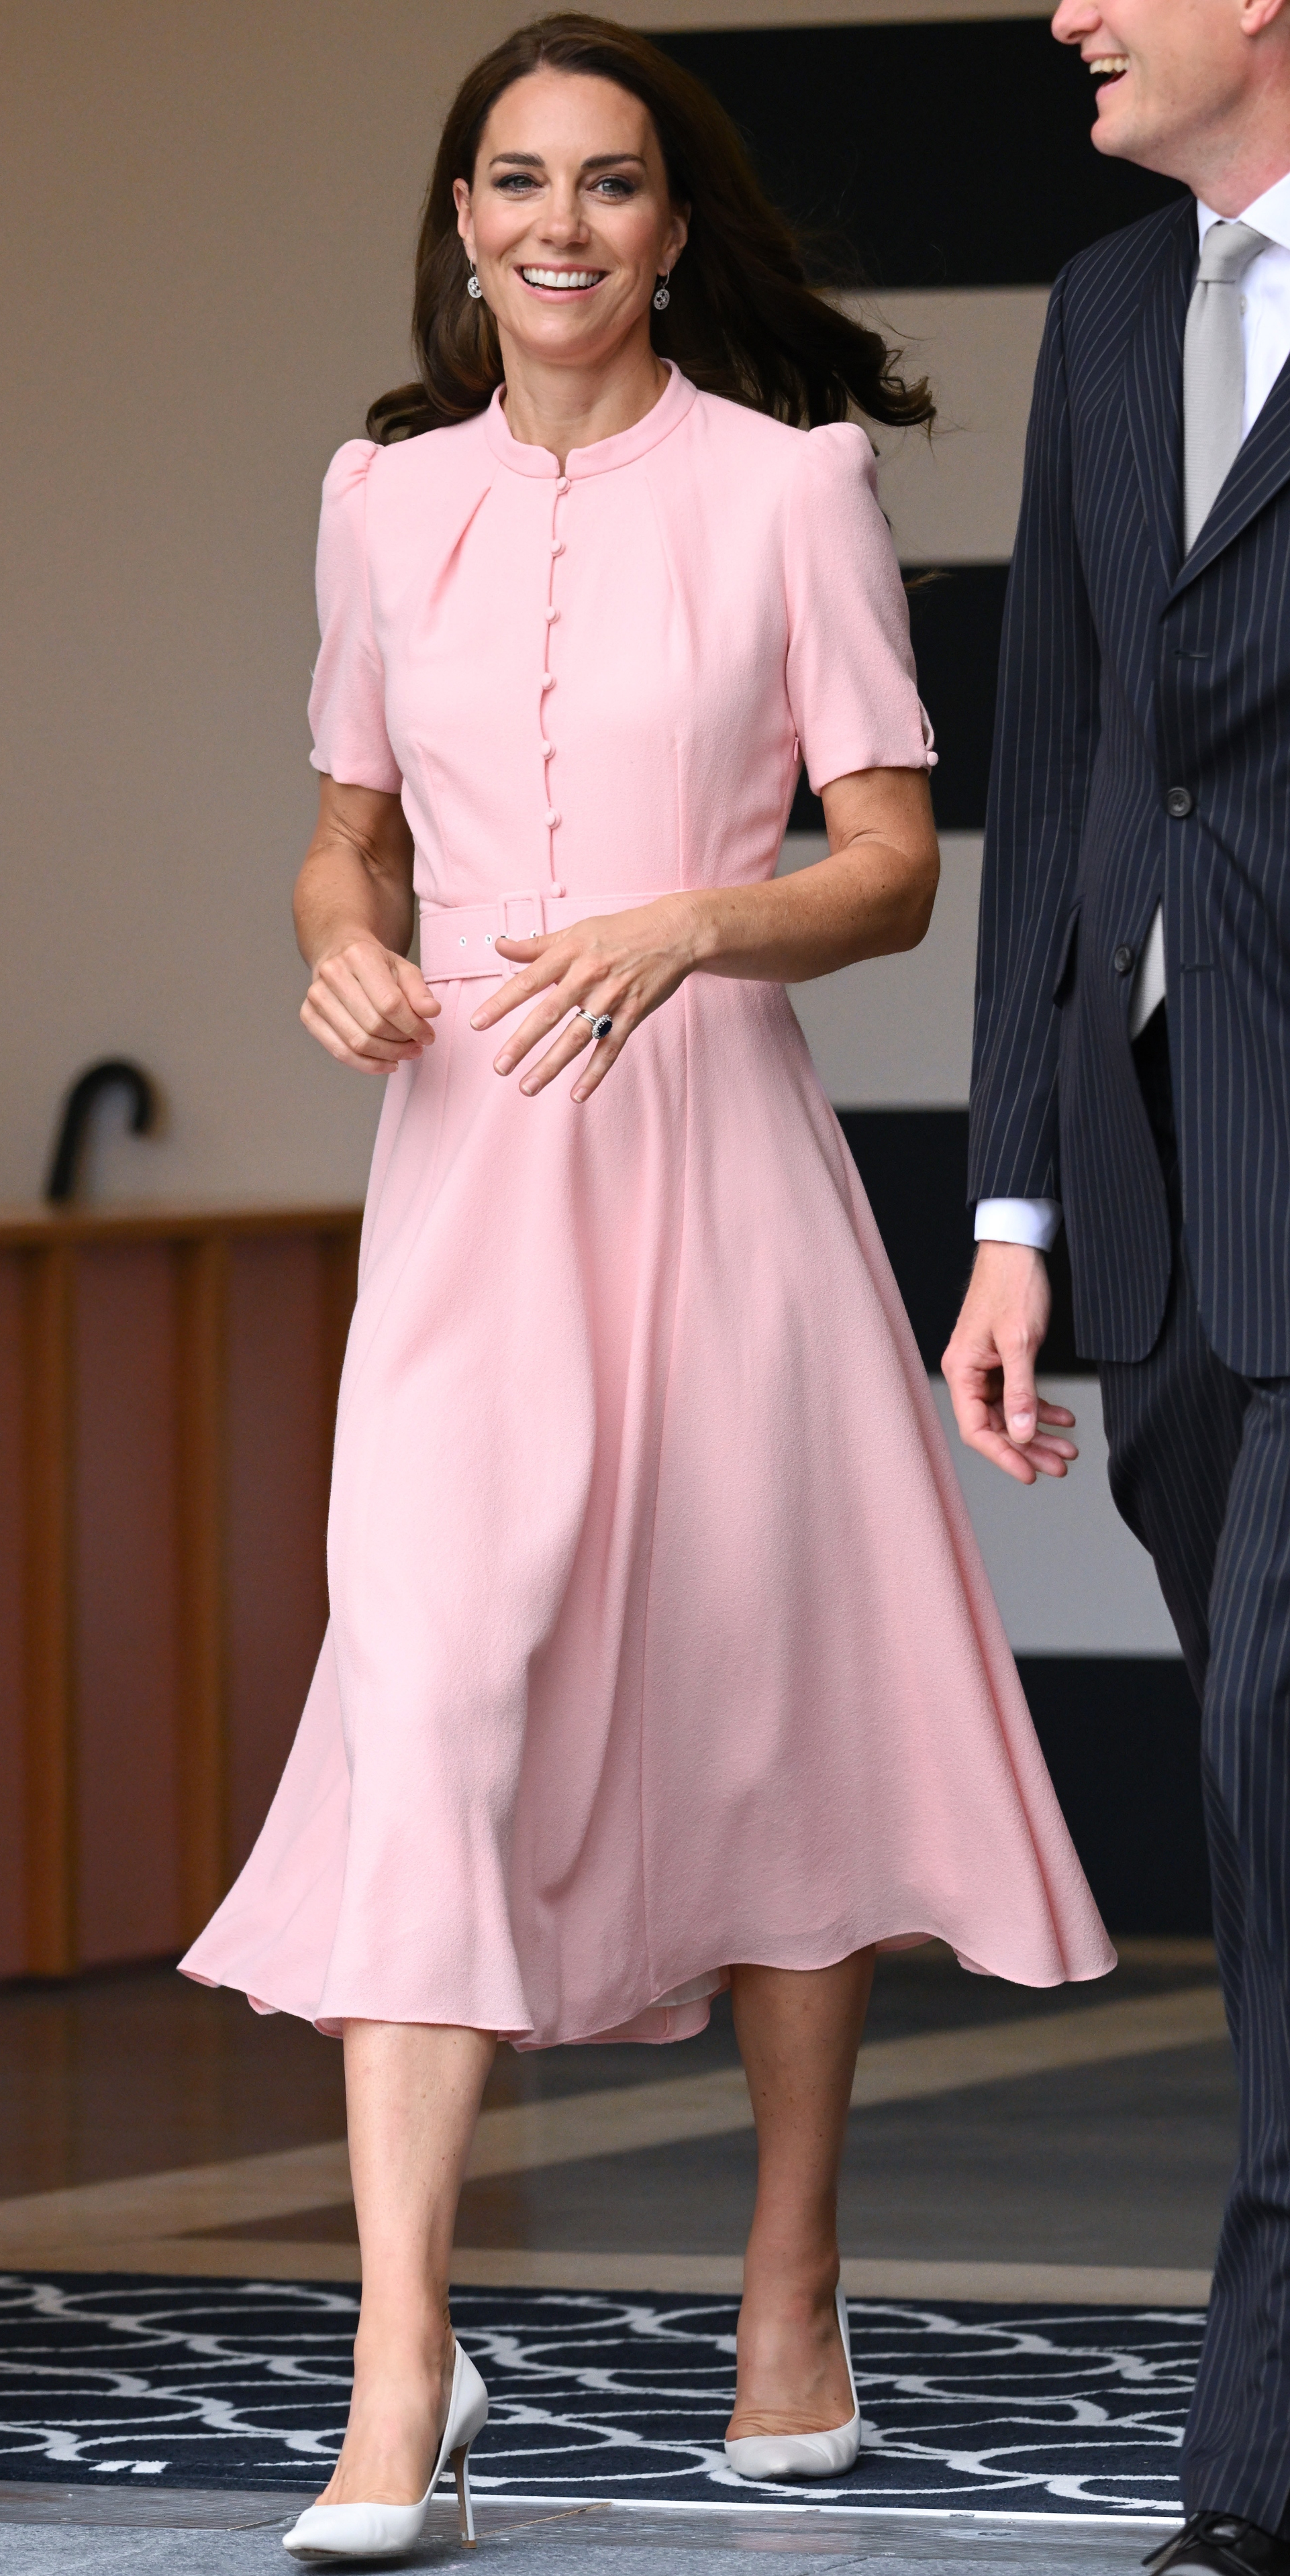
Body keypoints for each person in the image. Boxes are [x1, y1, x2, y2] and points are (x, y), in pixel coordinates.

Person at [183, 13, 1112, 2560]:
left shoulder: (793, 484)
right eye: (517, 182)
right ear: (463, 219)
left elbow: (894, 858)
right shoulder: (382, 500)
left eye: (610, 184)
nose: (562, 226)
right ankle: (399, 2375)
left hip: (722, 1166)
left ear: (675, 226)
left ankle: (787, 2291)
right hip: (473, 1173)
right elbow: (341, 836)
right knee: (428, 1688)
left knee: (761, 1710)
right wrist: (343, 951)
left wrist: (701, 919)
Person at [943, 0, 1290, 2559]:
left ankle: (1252, 2472)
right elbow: (1062, 769)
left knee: (1276, 1778)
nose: (1071, 7)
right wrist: (1012, 1212)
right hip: (1166, 1216)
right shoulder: (1088, 313)